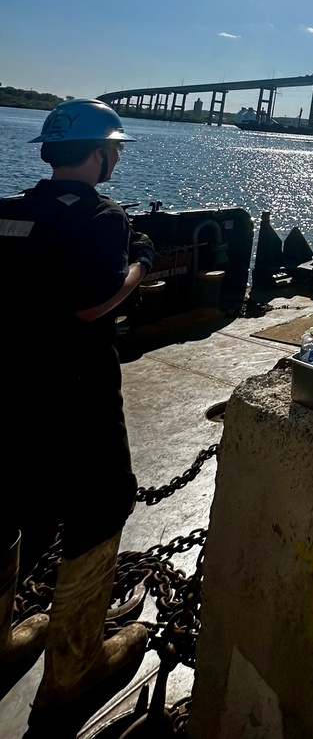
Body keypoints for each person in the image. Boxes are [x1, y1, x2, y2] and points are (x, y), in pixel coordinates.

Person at [0, 100, 153, 731]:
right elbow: (95, 306)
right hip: (78, 394)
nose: (115, 157)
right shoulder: (101, 216)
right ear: (97, 153)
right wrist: (139, 261)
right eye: (112, 148)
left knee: (9, 503)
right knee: (99, 505)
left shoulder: (9, 209)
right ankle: (73, 672)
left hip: (10, 391)